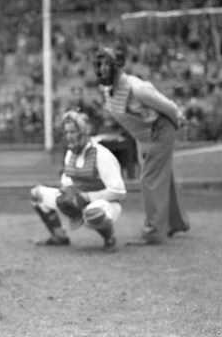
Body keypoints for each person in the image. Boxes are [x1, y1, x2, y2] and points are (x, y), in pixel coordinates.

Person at [93, 46, 190, 246]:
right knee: (163, 178)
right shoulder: (109, 90)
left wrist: (179, 121)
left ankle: (153, 232)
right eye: (99, 64)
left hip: (160, 131)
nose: (102, 69)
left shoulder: (138, 88)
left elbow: (170, 107)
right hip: (143, 135)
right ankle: (176, 223)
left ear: (117, 66)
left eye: (106, 64)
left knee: (149, 179)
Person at [30, 111, 127, 251]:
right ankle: (59, 236)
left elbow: (119, 191)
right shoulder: (71, 154)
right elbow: (67, 179)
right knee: (37, 194)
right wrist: (67, 192)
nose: (68, 137)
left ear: (84, 132)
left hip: (105, 205)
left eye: (73, 132)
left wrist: (88, 197)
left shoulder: (102, 155)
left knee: (93, 213)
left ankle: (109, 237)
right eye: (66, 132)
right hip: (78, 201)